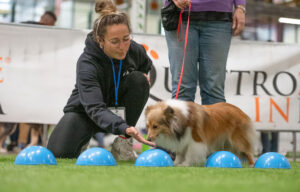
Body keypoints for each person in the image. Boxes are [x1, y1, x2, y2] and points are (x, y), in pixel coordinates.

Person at [47, 0, 155, 158]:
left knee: (139, 80)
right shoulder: (87, 62)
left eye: (126, 38)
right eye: (115, 41)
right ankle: (83, 140)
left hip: (118, 108)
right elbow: (95, 108)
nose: (122, 46)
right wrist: (123, 127)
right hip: (87, 112)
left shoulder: (134, 49)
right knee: (59, 153)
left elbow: (146, 64)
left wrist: (142, 76)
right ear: (100, 41)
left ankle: (123, 144)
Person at [164, 0, 246, 104]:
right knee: (182, 90)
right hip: (180, 14)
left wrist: (240, 6)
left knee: (214, 91)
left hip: (220, 17)